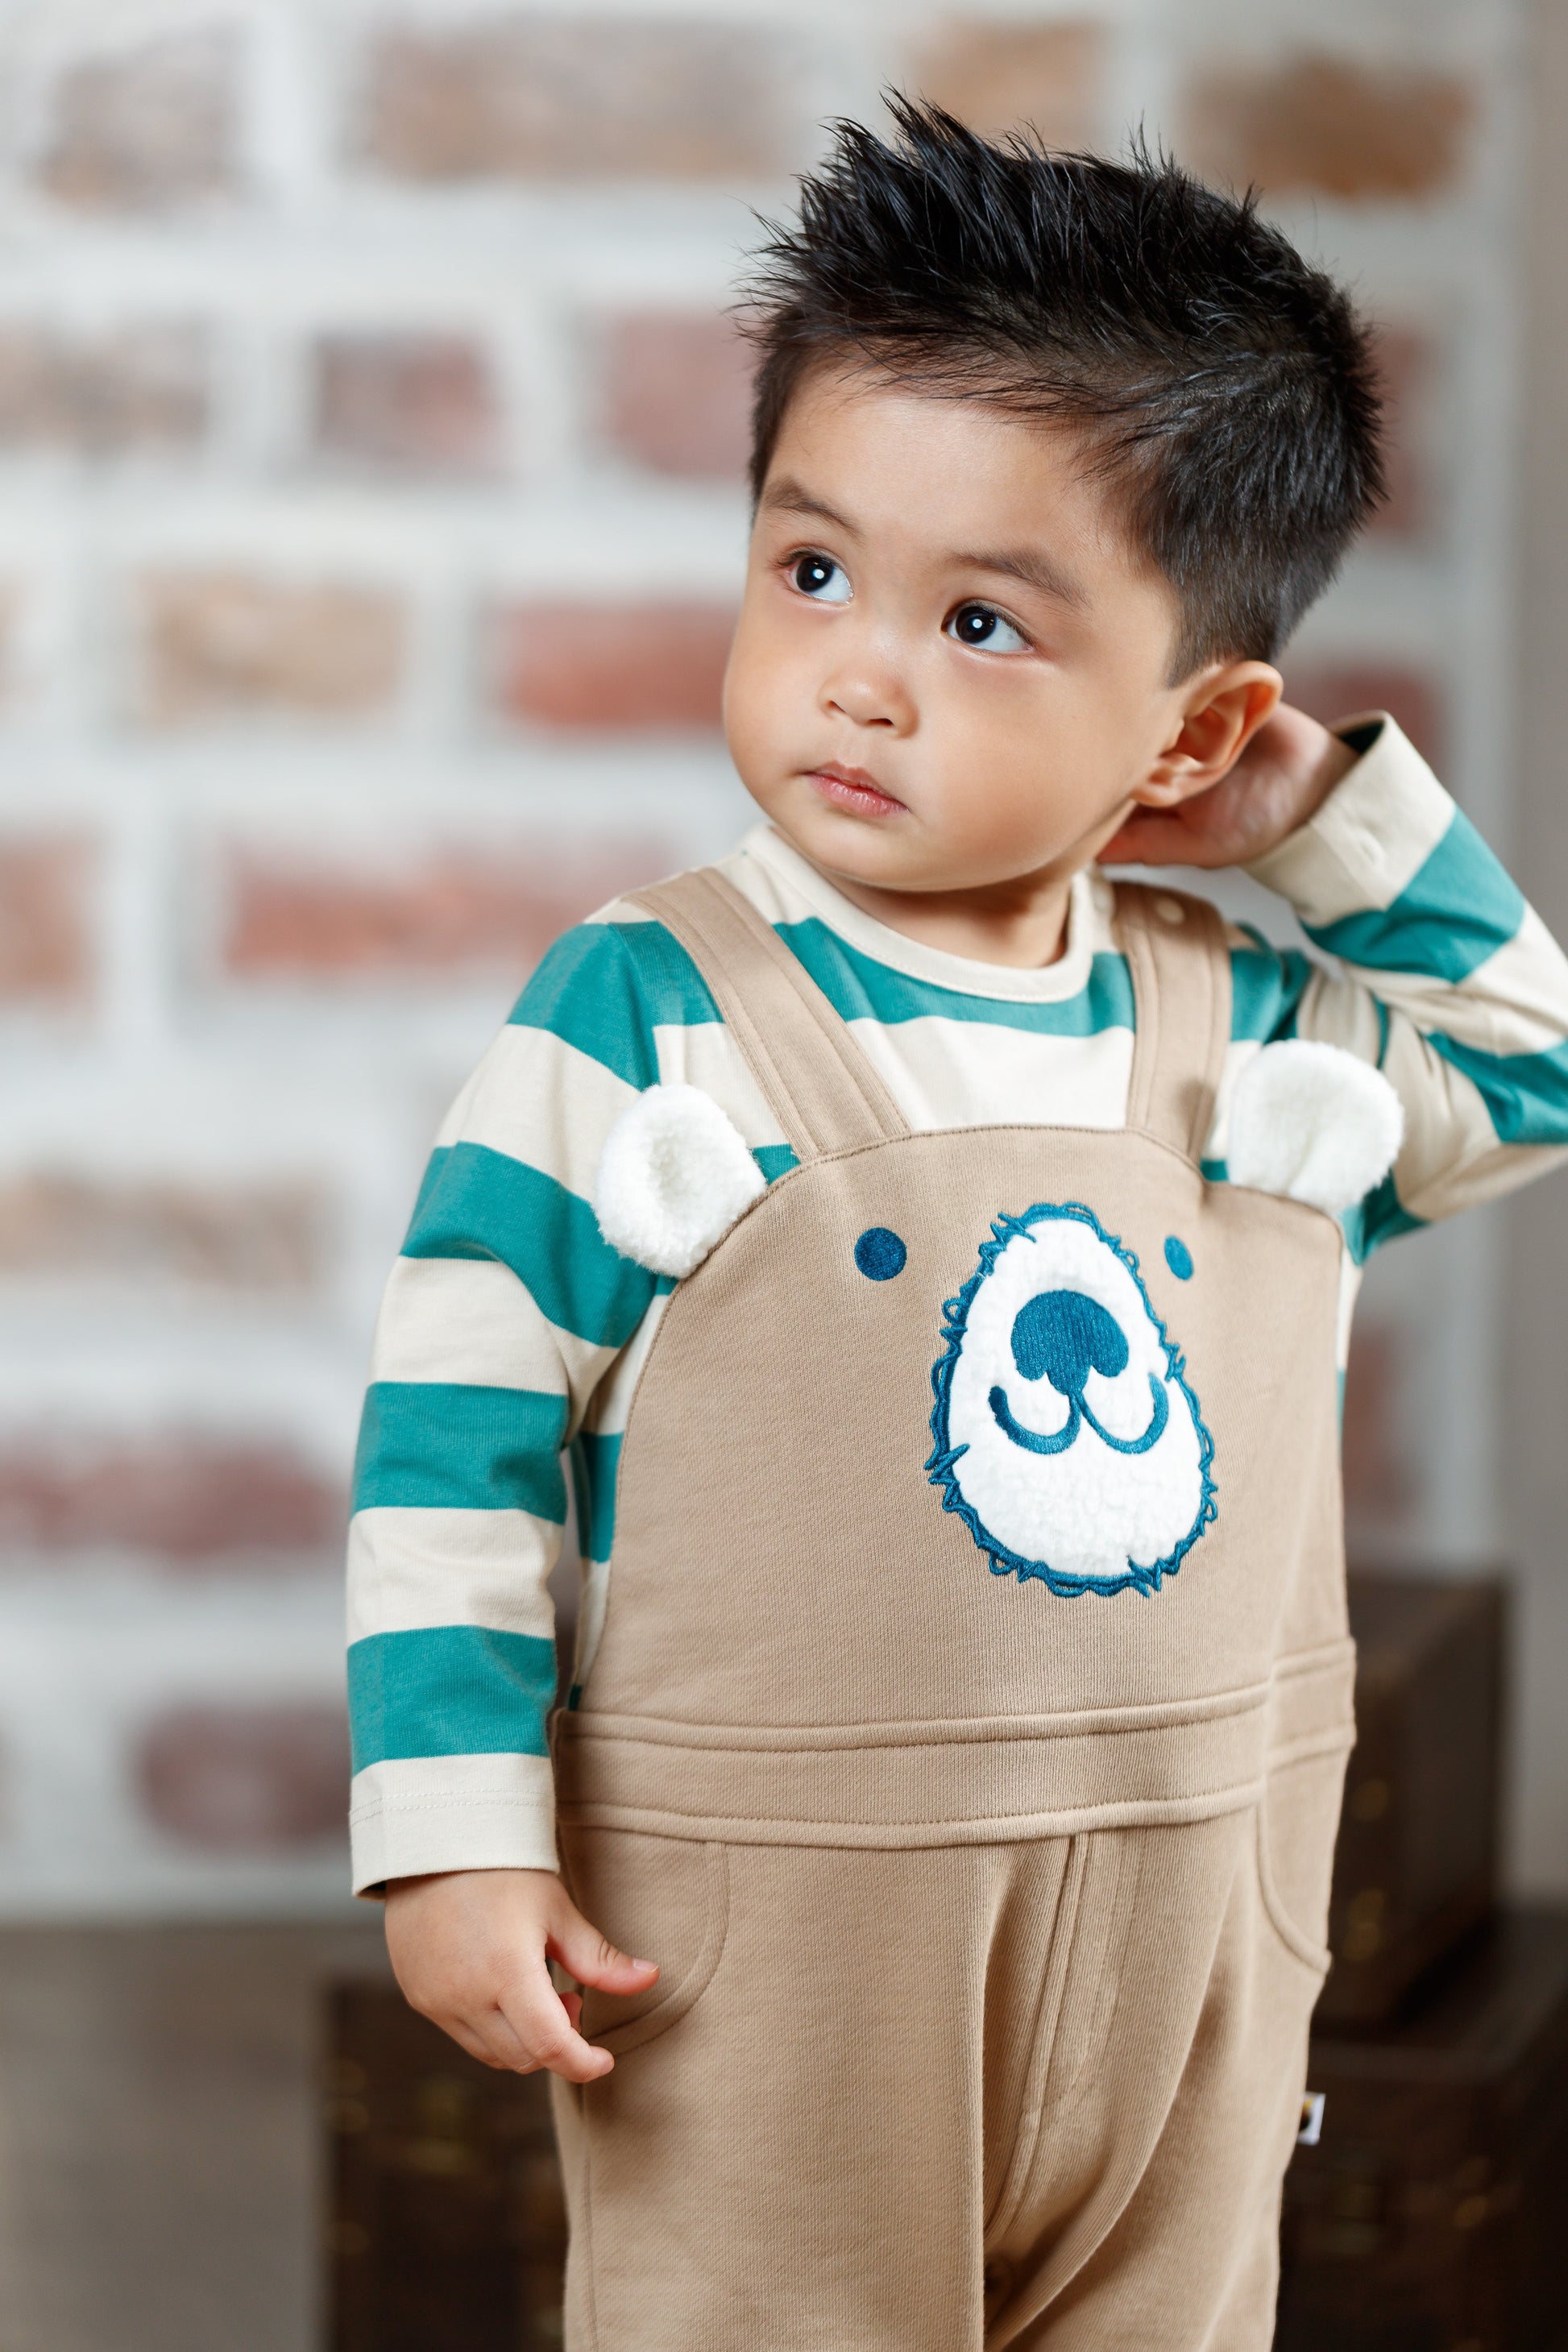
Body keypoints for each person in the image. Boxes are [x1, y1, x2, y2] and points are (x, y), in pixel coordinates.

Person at [345, 102, 1568, 2347]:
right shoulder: (647, 1014)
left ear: (1191, 729)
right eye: (812, 572)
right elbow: (456, 1448)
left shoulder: (1243, 1036)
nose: (861, 671)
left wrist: (1312, 817)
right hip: (771, 1949)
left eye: (983, 621)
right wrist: (454, 1831)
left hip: (1203, 1922)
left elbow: (1532, 1068)